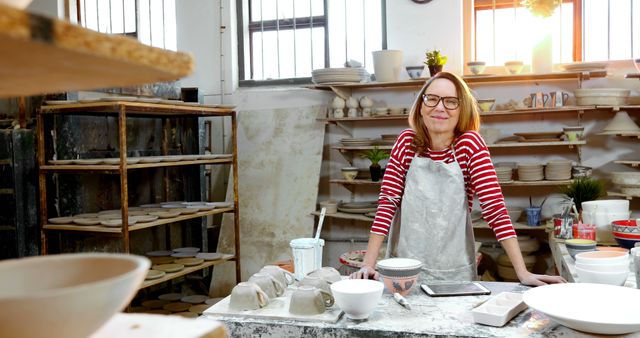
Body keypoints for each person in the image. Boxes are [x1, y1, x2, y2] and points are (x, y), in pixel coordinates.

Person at [351, 71, 565, 286]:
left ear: (462, 110)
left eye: (451, 102)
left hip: (453, 270)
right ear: (421, 106)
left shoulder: (469, 144)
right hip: (404, 268)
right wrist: (368, 264)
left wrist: (523, 272)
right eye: (432, 99)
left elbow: (495, 209)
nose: (440, 107)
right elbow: (387, 203)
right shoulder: (406, 143)